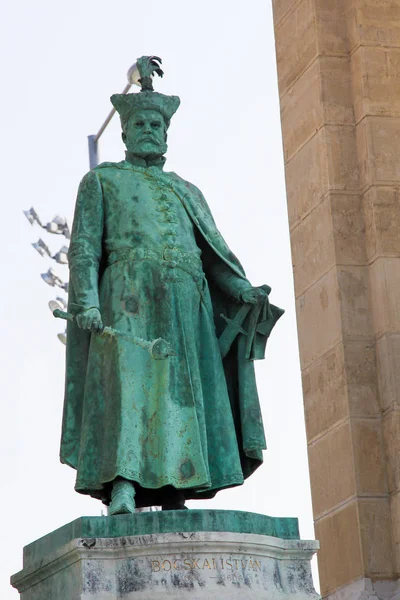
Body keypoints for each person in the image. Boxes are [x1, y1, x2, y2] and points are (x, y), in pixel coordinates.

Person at [60, 57, 283, 515]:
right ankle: (123, 483)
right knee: (129, 389)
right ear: (123, 134)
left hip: (187, 305)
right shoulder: (100, 181)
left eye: (155, 125)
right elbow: (83, 248)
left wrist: (241, 289)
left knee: (183, 391)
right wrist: (85, 301)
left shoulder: (187, 190)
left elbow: (212, 253)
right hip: (127, 298)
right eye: (139, 123)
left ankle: (177, 486)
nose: (148, 130)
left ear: (166, 134)